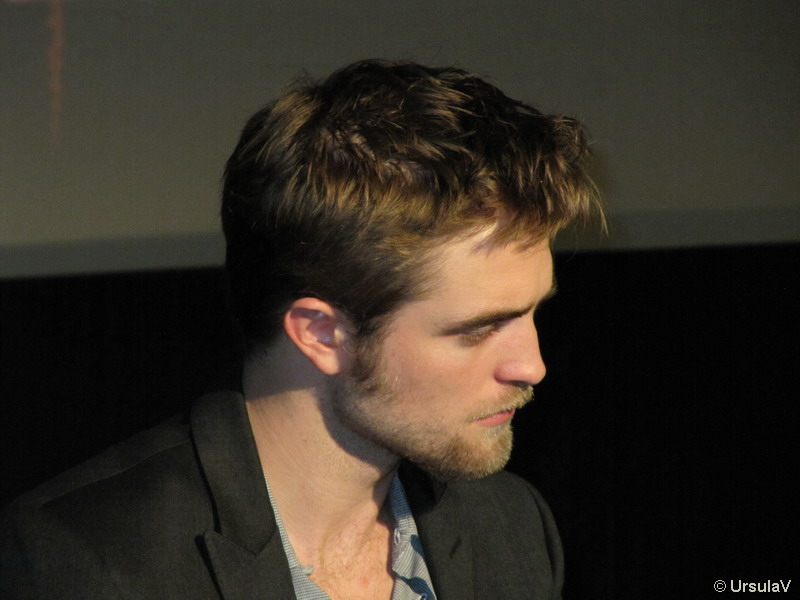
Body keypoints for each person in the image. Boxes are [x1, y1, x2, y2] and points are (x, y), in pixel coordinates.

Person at [1, 59, 602, 599]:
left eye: (532, 312)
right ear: (319, 334)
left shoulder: (509, 527)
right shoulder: (84, 561)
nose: (532, 366)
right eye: (477, 330)